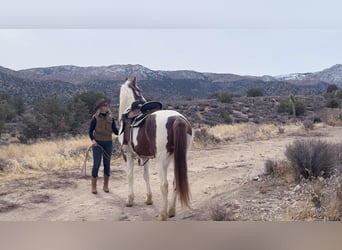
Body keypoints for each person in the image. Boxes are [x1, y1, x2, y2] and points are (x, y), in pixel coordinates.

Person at [88, 98, 119, 194]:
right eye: (104, 105)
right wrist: (93, 140)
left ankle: (105, 185)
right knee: (96, 163)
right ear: (100, 108)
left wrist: (123, 132)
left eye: (106, 105)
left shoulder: (111, 118)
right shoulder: (95, 118)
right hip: (97, 143)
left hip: (108, 143)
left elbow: (115, 131)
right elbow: (90, 131)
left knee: (107, 164)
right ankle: (94, 186)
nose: (106, 107)